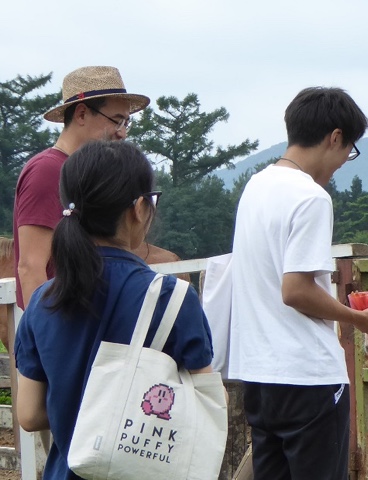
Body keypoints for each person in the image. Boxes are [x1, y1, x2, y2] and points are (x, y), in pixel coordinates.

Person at [13, 141, 215, 479]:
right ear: (138, 207)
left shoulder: (43, 300)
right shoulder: (173, 298)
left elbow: (30, 415)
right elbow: (207, 400)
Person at [229, 87, 368, 479]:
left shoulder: (255, 187)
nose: (341, 164)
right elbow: (296, 290)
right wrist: (358, 319)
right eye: (347, 151)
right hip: (307, 376)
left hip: (260, 376)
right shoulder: (311, 197)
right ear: (335, 137)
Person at [14, 65, 150, 309]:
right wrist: (46, 336)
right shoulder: (47, 171)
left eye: (127, 123)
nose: (122, 134)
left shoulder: (87, 173)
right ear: (81, 114)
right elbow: (30, 267)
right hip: (63, 329)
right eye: (116, 121)